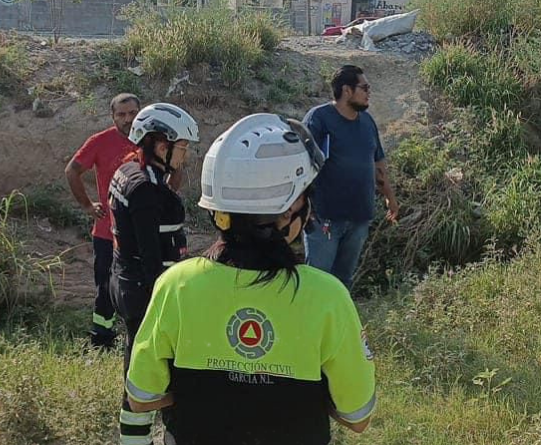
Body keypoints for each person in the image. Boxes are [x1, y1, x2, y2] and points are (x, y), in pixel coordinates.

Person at [124, 114, 377, 445]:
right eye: (305, 195)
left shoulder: (177, 284)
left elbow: (142, 397)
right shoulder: (328, 296)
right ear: (287, 212)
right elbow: (357, 417)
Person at [109, 102, 200, 445]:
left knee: (136, 361)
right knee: (155, 370)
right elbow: (151, 257)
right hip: (145, 289)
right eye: (182, 148)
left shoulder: (129, 172)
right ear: (161, 145)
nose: (185, 156)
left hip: (124, 279)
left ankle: (134, 437)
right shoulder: (146, 190)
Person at [302, 65, 399, 292]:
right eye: (364, 87)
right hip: (324, 218)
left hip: (359, 218)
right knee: (317, 283)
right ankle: (311, 326)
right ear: (346, 90)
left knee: (342, 284)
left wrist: (390, 198)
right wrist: (301, 206)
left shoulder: (367, 123)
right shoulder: (319, 119)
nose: (368, 93)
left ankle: (339, 326)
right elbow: (301, 164)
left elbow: (378, 164)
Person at [65, 93, 141, 349]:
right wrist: (87, 205)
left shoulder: (151, 140)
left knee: (145, 285)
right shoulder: (100, 141)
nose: (128, 119)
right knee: (106, 287)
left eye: (132, 113)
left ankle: (142, 339)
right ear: (113, 117)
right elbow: (72, 170)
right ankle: (102, 340)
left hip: (143, 231)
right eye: (121, 114)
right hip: (107, 232)